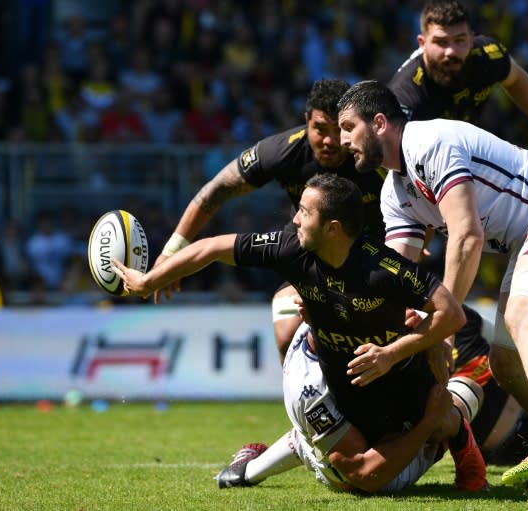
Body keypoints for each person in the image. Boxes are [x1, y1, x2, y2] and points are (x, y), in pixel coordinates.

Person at [114, 173, 488, 491]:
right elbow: (212, 247)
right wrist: (149, 281)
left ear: (333, 228)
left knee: (436, 419)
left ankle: (462, 441)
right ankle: (296, 439)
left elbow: (451, 314)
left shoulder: (384, 269)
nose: (293, 219)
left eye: (304, 212)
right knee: (351, 473)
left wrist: (396, 352)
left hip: (396, 378)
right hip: (328, 372)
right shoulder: (291, 249)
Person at [336, 79, 528, 492]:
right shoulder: (395, 193)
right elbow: (395, 279)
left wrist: (443, 321)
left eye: (347, 127)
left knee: (524, 316)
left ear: (379, 122)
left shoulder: (429, 141)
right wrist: (343, 308)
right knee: (504, 363)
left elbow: (467, 236)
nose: (343, 140)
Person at [216, 311, 528, 492]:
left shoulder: (457, 326)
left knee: (509, 429)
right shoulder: (389, 318)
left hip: (452, 413)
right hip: (415, 422)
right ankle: (246, 469)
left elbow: (474, 374)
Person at [153, 79, 385, 362]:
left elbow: (417, 194)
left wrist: (416, 240)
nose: (329, 141)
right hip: (312, 249)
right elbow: (217, 189)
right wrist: (172, 250)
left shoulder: (374, 156)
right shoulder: (282, 151)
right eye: (319, 129)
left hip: (376, 256)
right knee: (287, 337)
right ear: (306, 121)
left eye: (338, 130)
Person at [216, 322, 486, 494]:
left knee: (315, 433)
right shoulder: (308, 383)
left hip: (317, 440)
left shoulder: (331, 313)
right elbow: (364, 475)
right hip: (367, 476)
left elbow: (439, 311)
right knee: (463, 394)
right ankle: (465, 458)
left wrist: (435, 339)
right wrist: (428, 421)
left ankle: (243, 473)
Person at [388, 0, 528, 166]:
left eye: (459, 40)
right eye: (441, 42)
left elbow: (517, 79)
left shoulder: (487, 55)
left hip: (465, 153)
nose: (451, 51)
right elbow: (395, 160)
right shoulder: (406, 94)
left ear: (471, 39)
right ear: (422, 43)